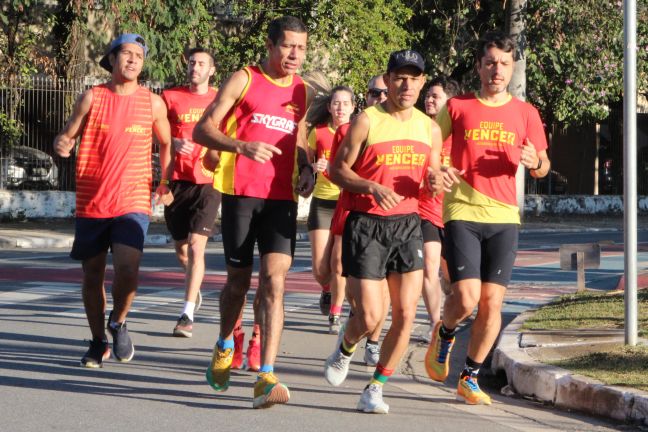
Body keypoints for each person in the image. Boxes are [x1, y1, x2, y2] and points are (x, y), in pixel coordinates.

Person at [192, 15, 314, 409]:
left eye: (301, 47)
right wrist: (242, 147)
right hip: (241, 193)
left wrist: (307, 169)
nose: (295, 54)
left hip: (281, 199)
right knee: (237, 285)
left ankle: (266, 374)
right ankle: (226, 342)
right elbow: (202, 130)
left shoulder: (302, 91)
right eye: (288, 46)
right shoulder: (243, 79)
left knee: (275, 283)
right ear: (270, 44)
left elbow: (299, 141)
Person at [425, 31, 551, 405]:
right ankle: (445, 333)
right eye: (491, 62)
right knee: (465, 298)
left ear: (513, 69)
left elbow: (544, 164)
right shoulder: (458, 107)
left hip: (505, 216)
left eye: (505, 64)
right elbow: (431, 148)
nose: (498, 70)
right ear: (479, 66)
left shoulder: (526, 113)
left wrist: (535, 164)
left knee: (492, 303)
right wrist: (439, 168)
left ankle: (470, 376)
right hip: (462, 209)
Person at [324, 49, 442, 414]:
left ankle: (375, 387)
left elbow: (431, 178)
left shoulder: (430, 128)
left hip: (408, 224)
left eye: (414, 77)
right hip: (367, 224)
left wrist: (438, 182)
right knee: (371, 317)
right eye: (400, 77)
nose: (407, 84)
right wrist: (370, 186)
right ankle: (346, 346)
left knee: (407, 314)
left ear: (422, 83)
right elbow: (336, 170)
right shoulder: (366, 121)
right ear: (388, 80)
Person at [53, 33, 173, 368]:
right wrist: (63, 142)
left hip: (132, 199)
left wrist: (165, 181)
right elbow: (68, 133)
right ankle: (97, 341)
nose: (133, 60)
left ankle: (118, 321)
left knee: (128, 268)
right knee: (92, 275)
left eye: (139, 55)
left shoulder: (152, 102)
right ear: (112, 59)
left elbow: (167, 144)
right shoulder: (92, 97)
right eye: (127, 54)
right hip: (92, 201)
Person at [162, 48, 219, 339]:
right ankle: (193, 289)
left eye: (201, 64)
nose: (195, 67)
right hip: (176, 183)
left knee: (198, 246)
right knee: (182, 251)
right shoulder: (170, 98)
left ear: (211, 70)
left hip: (208, 181)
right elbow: (154, 133)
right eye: (192, 62)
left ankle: (186, 314)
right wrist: (174, 141)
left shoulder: (221, 99)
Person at [306, 85, 356, 334]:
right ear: (329, 107)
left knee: (338, 261)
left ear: (353, 107)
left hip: (346, 202)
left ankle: (335, 314)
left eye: (345, 103)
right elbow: (306, 163)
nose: (340, 108)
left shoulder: (358, 134)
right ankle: (326, 290)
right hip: (323, 202)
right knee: (319, 269)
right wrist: (313, 167)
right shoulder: (319, 133)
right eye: (336, 103)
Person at [418, 76, 461, 342]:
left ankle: (449, 321)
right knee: (429, 268)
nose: (429, 100)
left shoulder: (459, 134)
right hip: (425, 210)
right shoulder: (420, 131)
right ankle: (435, 325)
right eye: (428, 95)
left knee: (453, 280)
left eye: (436, 96)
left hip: (455, 214)